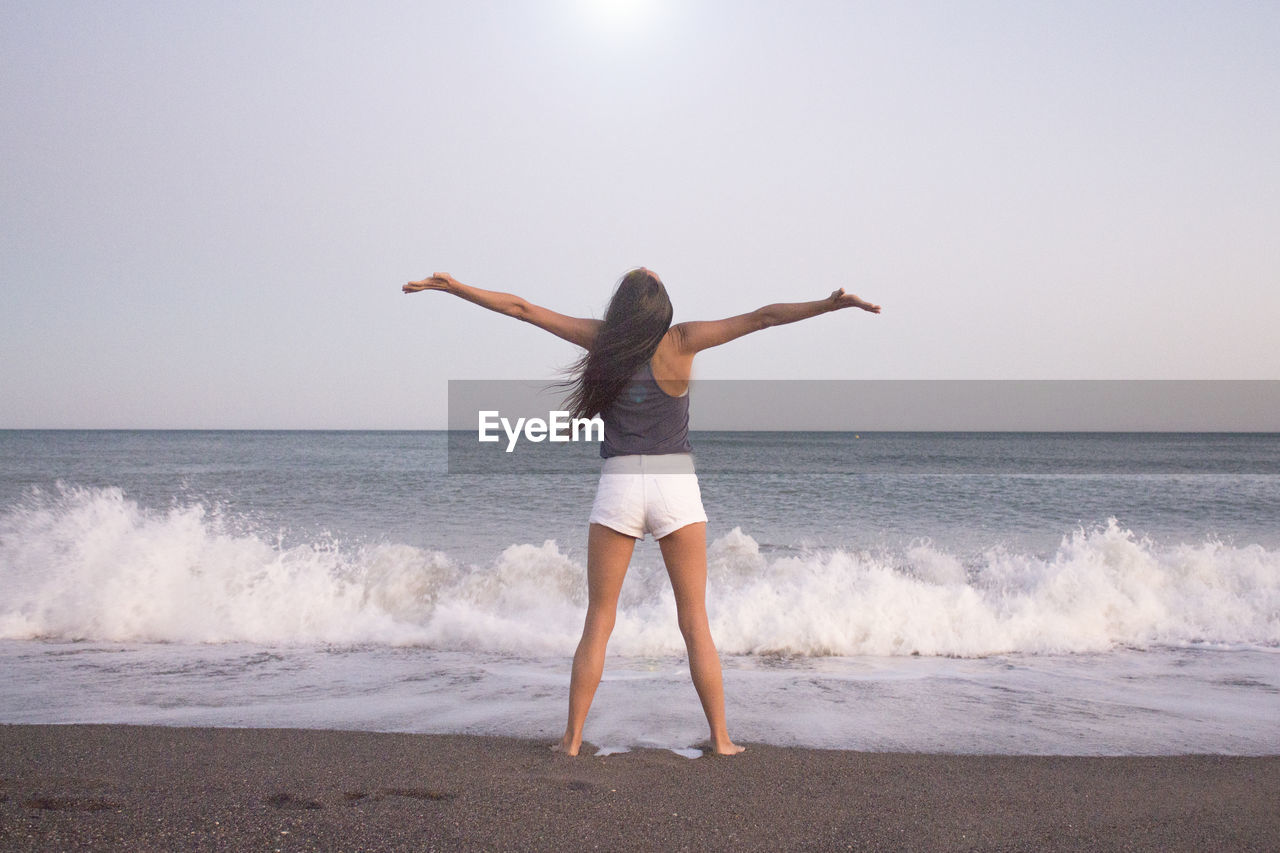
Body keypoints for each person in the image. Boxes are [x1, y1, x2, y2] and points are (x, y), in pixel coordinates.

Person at [402, 268, 881, 755]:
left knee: (600, 620)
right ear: (660, 307)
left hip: (620, 486)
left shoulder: (602, 341)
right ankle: (721, 739)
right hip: (677, 487)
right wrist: (828, 305)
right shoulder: (683, 339)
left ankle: (570, 741)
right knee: (694, 622)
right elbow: (763, 318)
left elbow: (521, 309)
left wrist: (455, 288)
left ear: (623, 304)